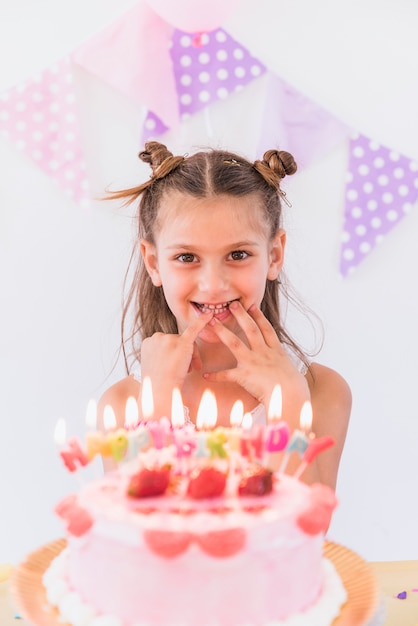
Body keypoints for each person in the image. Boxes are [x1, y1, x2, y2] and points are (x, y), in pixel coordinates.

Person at [98, 141, 351, 489]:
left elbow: (304, 534)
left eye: (238, 254)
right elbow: (139, 534)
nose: (214, 285)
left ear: (274, 255)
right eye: (187, 257)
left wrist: (288, 404)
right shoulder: (125, 404)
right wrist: (157, 406)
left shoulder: (319, 391)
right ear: (153, 262)